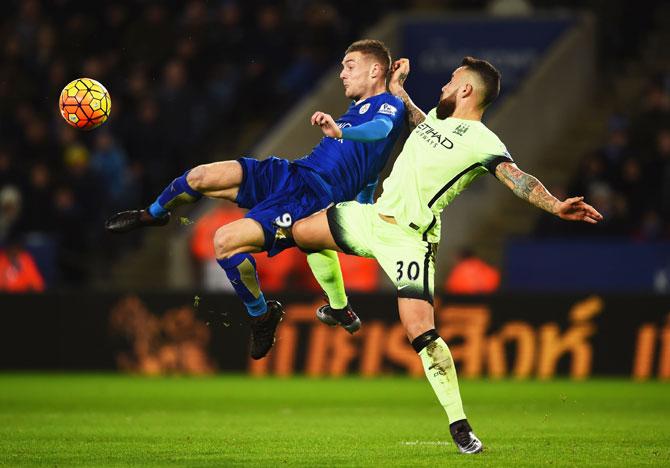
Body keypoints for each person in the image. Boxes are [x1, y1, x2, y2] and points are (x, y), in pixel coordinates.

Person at [291, 56, 603, 454]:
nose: (443, 87)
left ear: (467, 90)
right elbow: (422, 127)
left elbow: (518, 178)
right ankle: (340, 308)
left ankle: (460, 427)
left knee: (419, 332)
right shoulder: (436, 121)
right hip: (371, 220)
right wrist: (399, 88)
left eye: (451, 81)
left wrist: (555, 205)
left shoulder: (485, 142)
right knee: (301, 231)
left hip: (409, 239)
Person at [105, 39, 406, 360]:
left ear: (375, 70)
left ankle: (261, 314)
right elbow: (368, 169)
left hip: (309, 194)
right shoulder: (354, 110)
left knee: (224, 242)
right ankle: (153, 214)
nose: (342, 74)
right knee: (200, 177)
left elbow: (380, 129)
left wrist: (341, 132)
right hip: (291, 172)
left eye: (350, 66)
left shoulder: (387, 106)